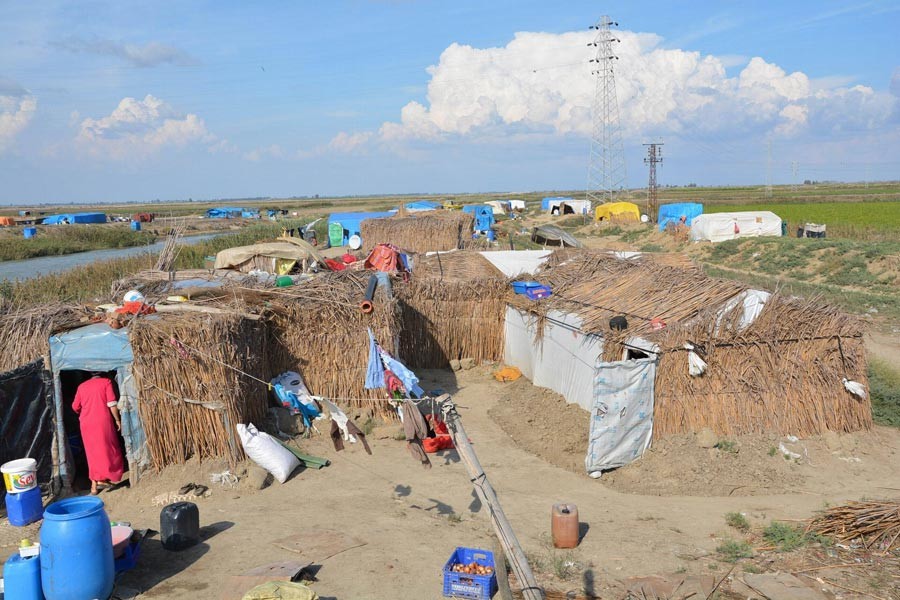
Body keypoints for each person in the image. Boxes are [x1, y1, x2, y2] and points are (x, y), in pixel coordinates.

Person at [72, 373, 125, 494]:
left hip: (86, 423)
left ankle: (94, 486)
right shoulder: (106, 382)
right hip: (102, 421)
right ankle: (102, 480)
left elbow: (75, 406)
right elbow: (112, 403)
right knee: (107, 450)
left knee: (92, 453)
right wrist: (117, 420)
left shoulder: (82, 386)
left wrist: (85, 410)